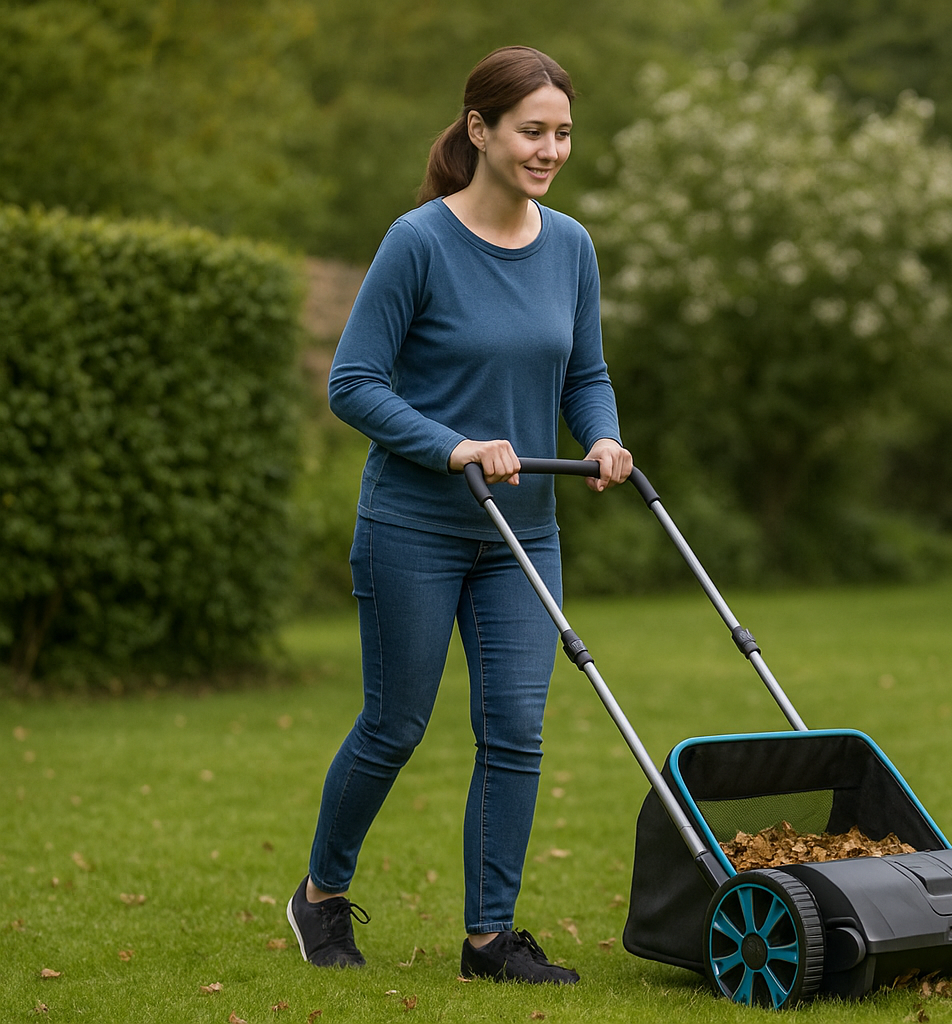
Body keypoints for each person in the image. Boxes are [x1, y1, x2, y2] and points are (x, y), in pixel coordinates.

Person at [287, 45, 631, 985]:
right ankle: (319, 895)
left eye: (562, 131)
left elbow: (585, 375)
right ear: (480, 130)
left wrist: (602, 438)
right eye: (533, 130)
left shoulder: (571, 246)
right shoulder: (419, 242)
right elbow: (353, 383)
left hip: (525, 535)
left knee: (516, 728)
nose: (551, 148)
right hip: (414, 526)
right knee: (395, 726)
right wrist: (455, 444)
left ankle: (490, 939)